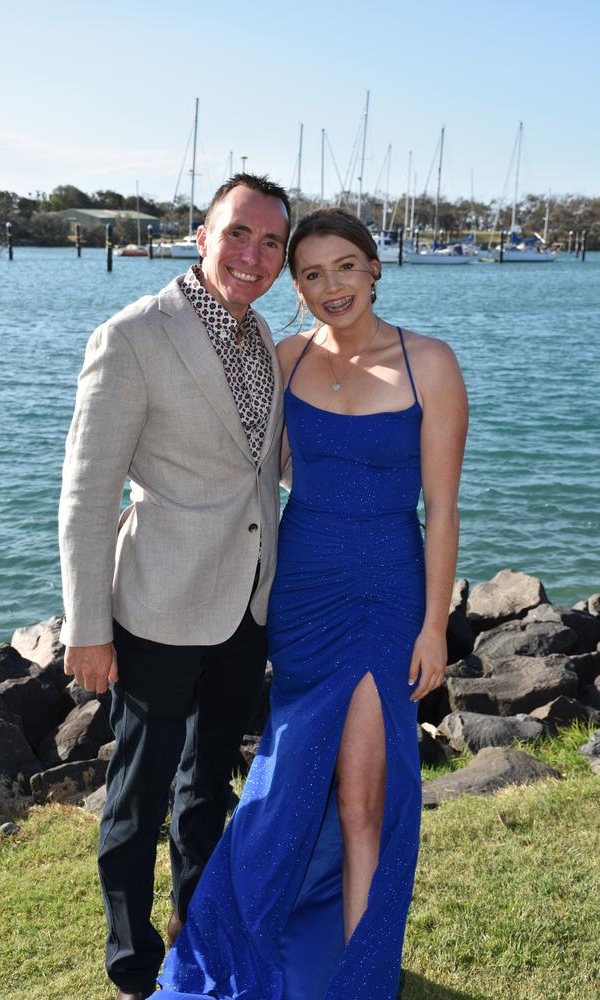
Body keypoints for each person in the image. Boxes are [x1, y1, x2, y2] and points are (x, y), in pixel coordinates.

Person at [150, 207, 468, 1000]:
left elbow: (443, 509)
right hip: (303, 592)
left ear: (375, 268)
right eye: (313, 274)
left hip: (388, 595)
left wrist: (434, 625)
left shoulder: (429, 362)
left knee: (364, 797)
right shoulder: (286, 358)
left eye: (346, 268)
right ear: (297, 286)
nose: (332, 287)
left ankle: (363, 980)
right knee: (289, 779)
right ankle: (238, 930)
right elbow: (248, 460)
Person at [58, 173, 292, 1000]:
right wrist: (86, 627)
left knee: (206, 786)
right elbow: (87, 494)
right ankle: (131, 965)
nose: (253, 255)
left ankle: (197, 931)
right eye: (238, 234)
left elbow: (269, 465)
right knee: (138, 791)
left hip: (245, 606)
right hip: (155, 603)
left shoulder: (266, 337)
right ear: (202, 235)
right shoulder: (131, 335)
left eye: (271, 243)